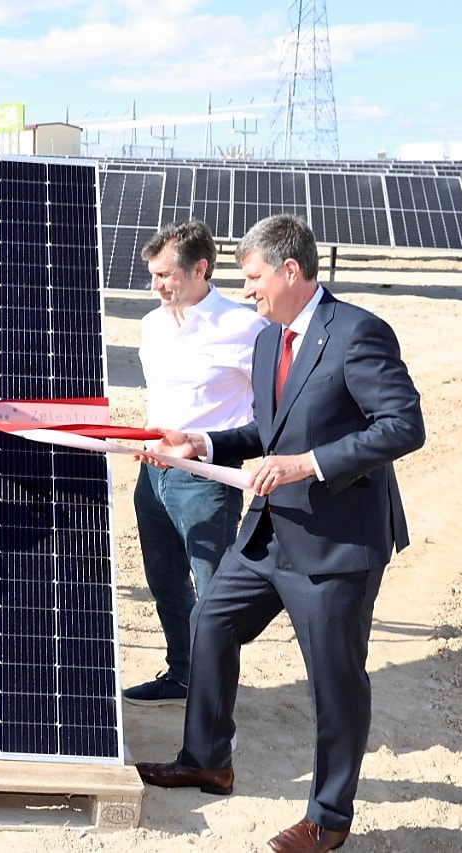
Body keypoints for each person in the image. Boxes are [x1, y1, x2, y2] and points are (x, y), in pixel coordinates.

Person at [134, 214, 425, 852]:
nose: (249, 292)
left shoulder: (357, 332)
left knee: (334, 678)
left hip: (334, 541)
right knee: (212, 620)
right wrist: (201, 441)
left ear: (290, 271)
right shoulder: (270, 339)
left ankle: (328, 818)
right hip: (268, 532)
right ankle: (207, 758)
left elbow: (402, 426)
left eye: (255, 278)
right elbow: (267, 434)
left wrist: (307, 464)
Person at [124, 220, 266, 707]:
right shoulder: (152, 324)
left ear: (200, 268)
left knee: (214, 594)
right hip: (152, 476)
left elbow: (269, 412)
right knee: (165, 582)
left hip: (205, 482)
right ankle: (183, 674)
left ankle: (214, 695)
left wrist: (203, 444)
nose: (156, 285)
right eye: (153, 275)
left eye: (165, 275)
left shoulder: (245, 328)